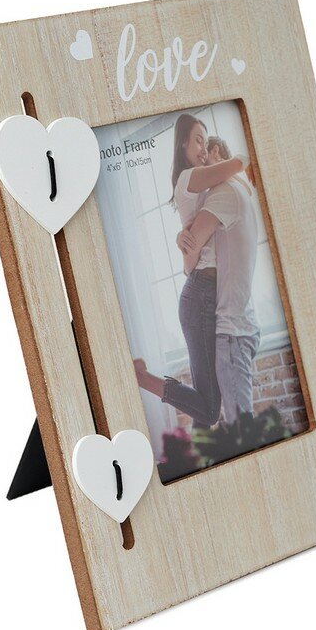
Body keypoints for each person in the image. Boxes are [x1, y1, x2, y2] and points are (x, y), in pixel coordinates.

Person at [133, 114, 249, 431]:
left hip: (203, 294)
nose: (203, 148)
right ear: (183, 142)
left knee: (205, 404)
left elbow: (193, 254)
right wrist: (245, 157)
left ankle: (201, 458)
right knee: (210, 410)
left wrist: (185, 244)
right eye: (198, 140)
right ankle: (141, 377)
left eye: (206, 142)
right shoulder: (188, 177)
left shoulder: (201, 187)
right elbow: (233, 166)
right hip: (201, 296)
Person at [177, 137, 260, 425]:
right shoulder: (241, 193)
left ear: (216, 153)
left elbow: (193, 250)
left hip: (230, 327)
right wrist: (184, 239)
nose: (202, 170)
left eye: (205, 158)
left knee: (227, 420)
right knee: (212, 410)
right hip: (239, 321)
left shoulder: (224, 191)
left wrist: (187, 253)